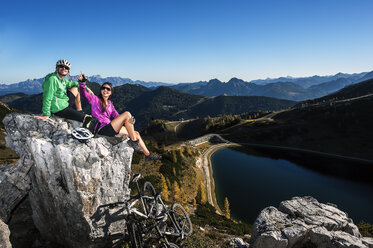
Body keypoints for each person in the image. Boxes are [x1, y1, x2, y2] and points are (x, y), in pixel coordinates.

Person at [78, 75, 161, 161]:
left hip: (109, 127)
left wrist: (130, 121)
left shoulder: (110, 104)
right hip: (101, 128)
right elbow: (84, 95)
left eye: (108, 89)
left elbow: (117, 116)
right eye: (103, 88)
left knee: (136, 133)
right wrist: (82, 83)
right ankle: (133, 142)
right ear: (101, 90)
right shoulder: (95, 99)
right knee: (127, 114)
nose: (105, 90)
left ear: (111, 92)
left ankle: (148, 155)